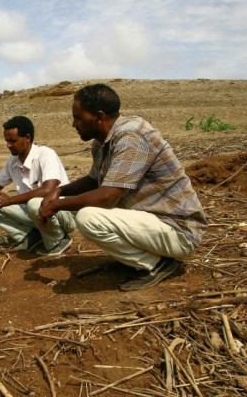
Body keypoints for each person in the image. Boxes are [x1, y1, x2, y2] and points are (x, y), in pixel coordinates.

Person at [38, 83, 207, 291]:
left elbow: (106, 197)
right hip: (154, 224)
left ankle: (158, 263)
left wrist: (56, 205)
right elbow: (94, 180)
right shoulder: (103, 141)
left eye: (78, 117)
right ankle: (139, 257)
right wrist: (61, 191)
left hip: (178, 230)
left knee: (88, 217)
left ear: (99, 117)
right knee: (90, 210)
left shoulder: (131, 137)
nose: (74, 124)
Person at [0, 116, 75, 255]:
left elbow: (48, 189)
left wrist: (9, 200)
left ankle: (59, 240)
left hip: (59, 212)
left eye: (12, 141)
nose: (8, 145)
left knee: (34, 203)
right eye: (7, 141)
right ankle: (28, 236)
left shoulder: (45, 154)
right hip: (33, 213)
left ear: (27, 138)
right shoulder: (13, 161)